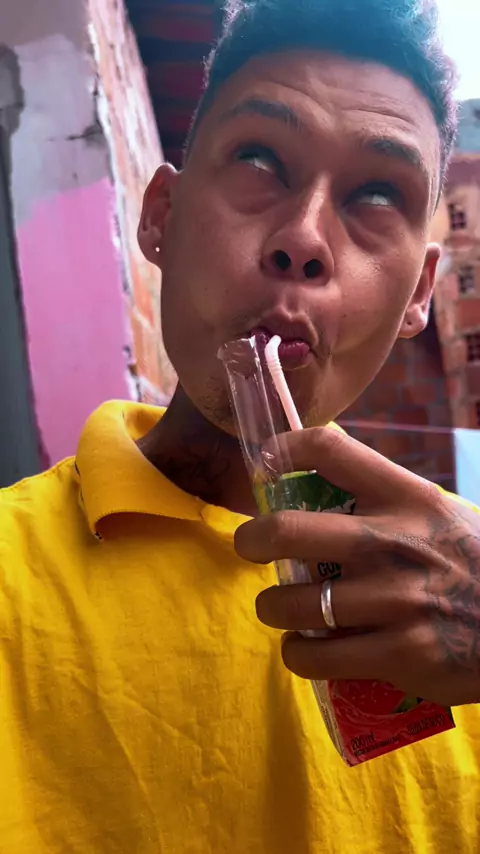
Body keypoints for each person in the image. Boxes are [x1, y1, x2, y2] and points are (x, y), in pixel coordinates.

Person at [1, 0, 480, 851]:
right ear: (160, 216)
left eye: (377, 194)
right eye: (260, 159)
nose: (303, 239)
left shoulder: (461, 595)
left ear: (418, 294)